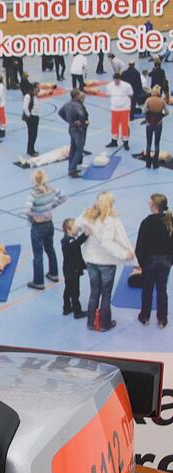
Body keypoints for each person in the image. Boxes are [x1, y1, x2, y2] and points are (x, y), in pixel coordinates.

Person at [79, 192, 136, 331]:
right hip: (106, 263)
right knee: (105, 294)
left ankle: (91, 322)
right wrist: (124, 254)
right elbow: (107, 243)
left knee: (94, 292)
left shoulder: (90, 216)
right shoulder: (110, 222)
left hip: (91, 261)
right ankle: (104, 324)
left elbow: (79, 226)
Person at [135, 193, 173, 328]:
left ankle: (144, 316)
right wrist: (170, 260)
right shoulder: (170, 220)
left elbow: (140, 246)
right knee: (162, 289)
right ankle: (162, 319)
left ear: (154, 206)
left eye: (149, 202)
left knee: (147, 289)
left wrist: (142, 263)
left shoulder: (146, 222)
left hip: (149, 261)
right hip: (165, 261)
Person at [23, 170, 66, 289]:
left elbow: (26, 210)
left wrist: (34, 216)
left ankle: (38, 282)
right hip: (49, 224)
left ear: (34, 180)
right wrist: (52, 206)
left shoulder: (33, 194)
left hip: (38, 227)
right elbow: (64, 196)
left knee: (38, 254)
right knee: (50, 249)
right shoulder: (51, 189)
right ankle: (54, 274)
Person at [58, 89, 90, 178]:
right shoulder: (77, 105)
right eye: (80, 95)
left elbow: (60, 113)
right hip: (79, 130)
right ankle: (72, 169)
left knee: (73, 149)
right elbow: (82, 116)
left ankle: (71, 167)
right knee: (79, 150)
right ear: (76, 96)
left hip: (71, 128)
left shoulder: (67, 104)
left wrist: (69, 121)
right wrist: (83, 122)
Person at [61, 218, 88, 319]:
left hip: (68, 270)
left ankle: (66, 308)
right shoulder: (70, 241)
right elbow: (77, 243)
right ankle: (77, 311)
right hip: (72, 271)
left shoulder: (66, 239)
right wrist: (85, 234)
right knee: (75, 291)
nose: (77, 227)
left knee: (68, 289)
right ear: (68, 229)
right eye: (75, 226)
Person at [105, 72, 134, 150]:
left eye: (118, 80)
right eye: (115, 80)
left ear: (120, 79)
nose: (116, 82)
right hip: (114, 108)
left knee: (124, 126)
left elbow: (131, 94)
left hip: (124, 108)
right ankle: (114, 141)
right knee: (114, 125)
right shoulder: (109, 86)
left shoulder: (126, 86)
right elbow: (107, 94)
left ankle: (125, 142)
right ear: (113, 79)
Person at [144, 85, 169, 168]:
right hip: (158, 123)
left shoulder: (148, 100)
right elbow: (167, 112)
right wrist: (161, 116)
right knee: (157, 143)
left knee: (148, 143)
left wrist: (148, 117)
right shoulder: (162, 101)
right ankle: (155, 164)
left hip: (149, 124)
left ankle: (148, 163)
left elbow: (144, 111)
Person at [21, 78, 40, 156]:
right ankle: (30, 151)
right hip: (31, 117)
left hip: (36, 116)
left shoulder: (35, 96)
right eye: (38, 87)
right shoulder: (28, 96)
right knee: (32, 134)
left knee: (34, 134)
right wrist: (29, 116)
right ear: (34, 88)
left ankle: (32, 149)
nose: (39, 88)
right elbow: (25, 107)